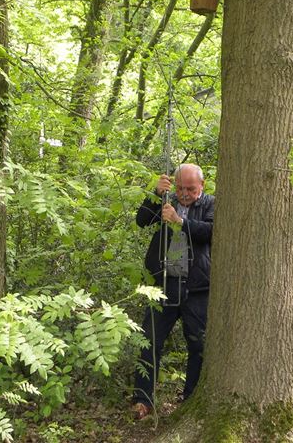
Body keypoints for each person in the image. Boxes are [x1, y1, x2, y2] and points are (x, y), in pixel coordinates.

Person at [131, 163, 214, 419]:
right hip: (163, 287)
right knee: (149, 341)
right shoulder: (165, 199)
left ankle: (190, 401)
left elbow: (210, 232)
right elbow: (142, 220)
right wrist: (155, 194)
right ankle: (143, 401)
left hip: (196, 288)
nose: (185, 193)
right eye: (180, 187)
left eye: (190, 188)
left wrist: (181, 221)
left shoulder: (210, 204)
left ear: (201, 186)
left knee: (198, 345)